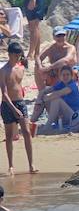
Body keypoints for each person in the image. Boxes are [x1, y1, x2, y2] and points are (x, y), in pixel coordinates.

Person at [1, 41, 36, 174]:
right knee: (9, 136)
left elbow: (19, 86)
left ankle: (31, 165)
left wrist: (19, 104)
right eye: (15, 55)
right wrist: (13, 109)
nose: (17, 57)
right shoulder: (3, 71)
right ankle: (11, 165)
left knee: (27, 133)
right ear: (9, 54)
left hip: (20, 103)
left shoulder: (20, 67)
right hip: (7, 104)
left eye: (19, 55)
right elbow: (4, 93)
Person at [35, 64, 79, 128]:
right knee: (47, 100)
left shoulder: (72, 85)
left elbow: (58, 93)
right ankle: (32, 121)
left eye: (67, 75)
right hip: (64, 115)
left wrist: (42, 100)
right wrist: (38, 101)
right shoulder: (61, 84)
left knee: (56, 100)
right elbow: (43, 91)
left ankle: (47, 126)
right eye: (63, 75)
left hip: (74, 116)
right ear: (60, 76)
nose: (65, 77)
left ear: (71, 76)